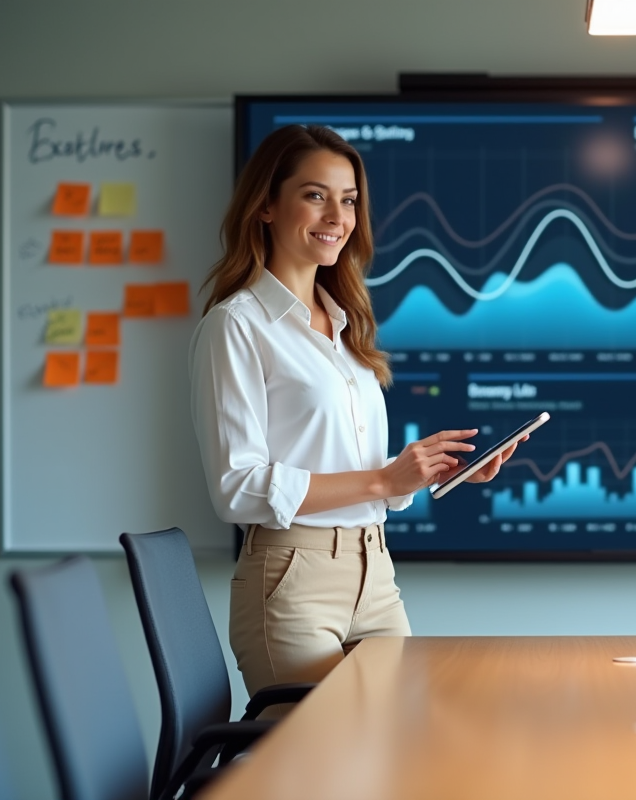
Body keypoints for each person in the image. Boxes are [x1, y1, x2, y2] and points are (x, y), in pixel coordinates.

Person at [189, 124, 520, 698]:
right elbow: (235, 489)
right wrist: (381, 477)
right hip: (292, 582)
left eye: (348, 200)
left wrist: (417, 474)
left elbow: (359, 474)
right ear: (266, 205)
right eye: (315, 195)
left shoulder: (346, 326)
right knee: (321, 772)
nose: (337, 216)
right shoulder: (236, 325)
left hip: (375, 571)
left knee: (399, 758)